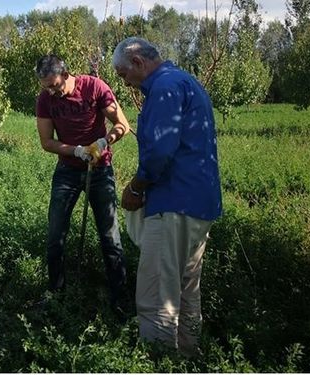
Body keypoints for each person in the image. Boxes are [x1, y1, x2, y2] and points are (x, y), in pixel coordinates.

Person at [112, 37, 222, 356]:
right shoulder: (187, 81)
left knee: (158, 293)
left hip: (174, 202)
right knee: (187, 289)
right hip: (199, 202)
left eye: (123, 74)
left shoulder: (163, 88)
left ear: (137, 62)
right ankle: (188, 354)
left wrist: (135, 188)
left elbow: (160, 150)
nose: (124, 81)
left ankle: (160, 361)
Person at [35, 54, 131, 313]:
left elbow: (122, 124)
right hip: (67, 170)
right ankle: (56, 293)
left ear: (66, 74)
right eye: (47, 87)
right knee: (55, 236)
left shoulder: (94, 87)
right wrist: (76, 150)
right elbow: (47, 142)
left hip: (100, 171)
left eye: (55, 85)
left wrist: (104, 142)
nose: (52, 91)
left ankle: (119, 299)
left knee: (110, 237)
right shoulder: (45, 99)